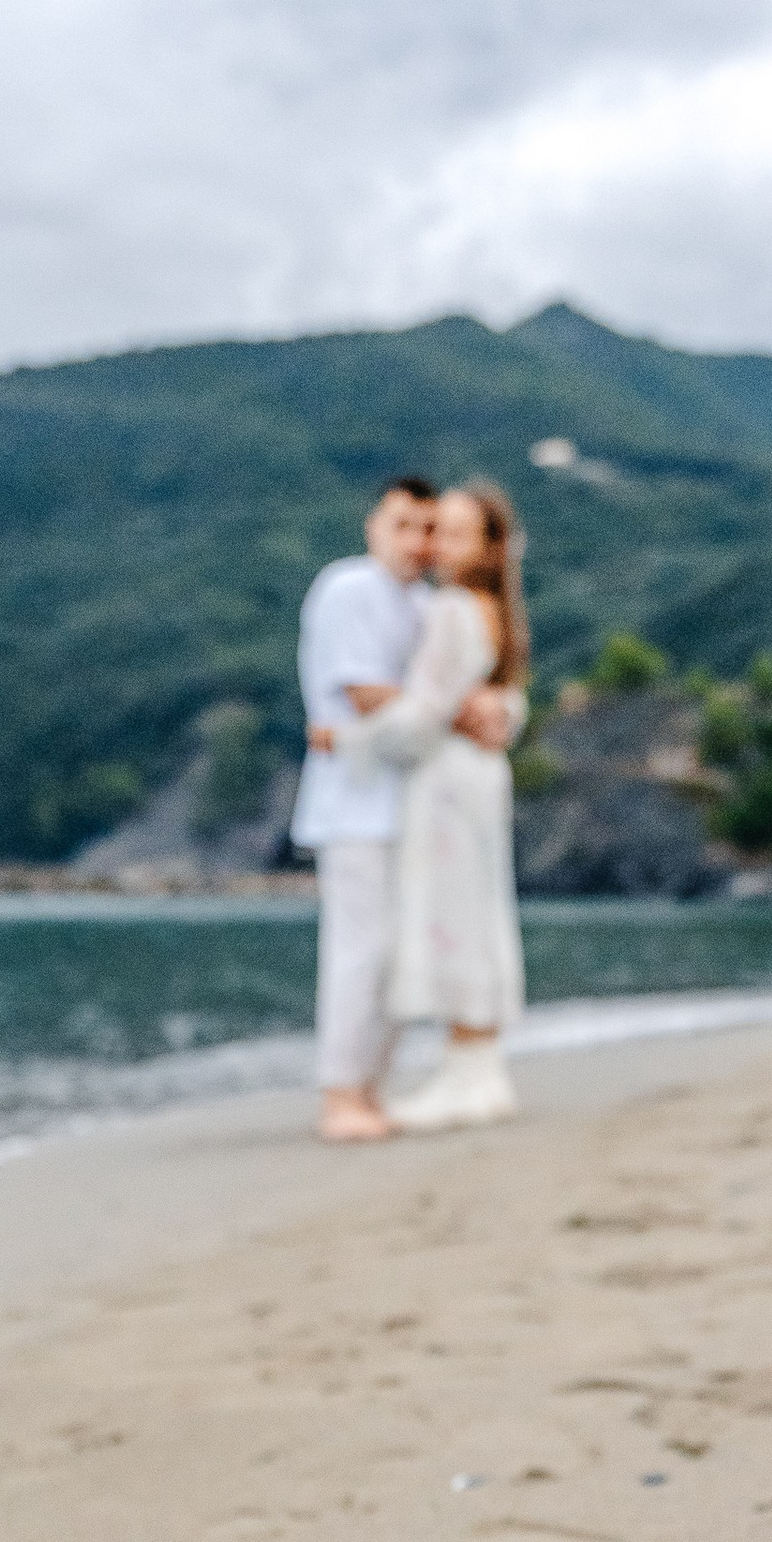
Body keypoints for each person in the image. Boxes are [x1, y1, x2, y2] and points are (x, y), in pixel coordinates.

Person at [291, 479, 513, 1144]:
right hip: (355, 803)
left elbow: (458, 688)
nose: (417, 541)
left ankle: (368, 1086)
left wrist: (486, 711)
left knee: (393, 956)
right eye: (404, 524)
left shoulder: (427, 602)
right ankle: (342, 1093)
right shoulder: (349, 587)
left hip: (411, 803)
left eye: (429, 528)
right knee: (361, 953)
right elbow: (365, 692)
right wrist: (459, 712)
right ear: (373, 525)